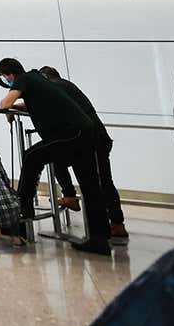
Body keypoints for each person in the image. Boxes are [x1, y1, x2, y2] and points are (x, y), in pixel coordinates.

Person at [0, 57, 112, 255]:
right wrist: (16, 108)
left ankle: (23, 208)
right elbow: (30, 104)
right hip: (85, 133)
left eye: (5, 79)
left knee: (32, 156)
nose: (7, 82)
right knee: (90, 187)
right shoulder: (38, 80)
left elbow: (5, 102)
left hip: (70, 134)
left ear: (10, 75)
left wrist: (7, 108)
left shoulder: (23, 79)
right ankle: (100, 239)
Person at [38, 66, 129, 245]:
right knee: (104, 180)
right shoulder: (67, 86)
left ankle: (73, 198)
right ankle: (116, 224)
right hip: (98, 138)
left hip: (90, 140)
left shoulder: (57, 86)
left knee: (99, 181)